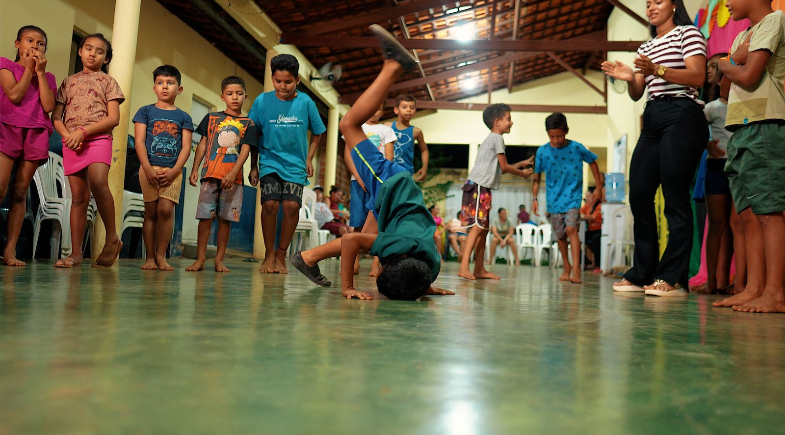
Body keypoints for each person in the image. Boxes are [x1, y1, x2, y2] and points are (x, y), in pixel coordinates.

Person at [290, 24, 453, 300]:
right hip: (390, 185)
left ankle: (307, 257)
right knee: (348, 124)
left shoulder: (430, 267)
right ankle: (392, 66)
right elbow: (353, 241)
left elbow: (417, 274)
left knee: (366, 236)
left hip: (396, 201)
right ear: (394, 259)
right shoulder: (396, 245)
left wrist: (425, 287)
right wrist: (348, 288)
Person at [602, 0, 707, 296]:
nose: (650, 7)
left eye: (657, 1)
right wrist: (627, 78)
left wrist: (657, 70)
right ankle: (642, 273)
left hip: (683, 113)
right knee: (640, 193)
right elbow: (638, 92)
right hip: (653, 115)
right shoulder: (646, 47)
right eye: (647, 3)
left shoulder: (689, 33)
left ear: (673, 5)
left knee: (674, 196)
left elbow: (697, 76)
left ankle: (672, 277)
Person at [713, 0, 785, 313]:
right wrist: (732, 61)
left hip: (765, 124)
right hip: (741, 128)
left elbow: (749, 76)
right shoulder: (742, 36)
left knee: (769, 211)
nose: (727, 1)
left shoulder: (774, 20)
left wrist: (727, 64)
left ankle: (775, 292)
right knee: (749, 214)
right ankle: (753, 287)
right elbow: (726, 91)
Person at [247, 54, 326, 274]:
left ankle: (281, 254)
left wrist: (309, 158)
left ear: (297, 80)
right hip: (269, 161)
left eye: (288, 82)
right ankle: (269, 254)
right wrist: (254, 165)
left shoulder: (306, 102)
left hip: (295, 165)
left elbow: (318, 132)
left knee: (291, 207)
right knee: (270, 205)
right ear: (272, 79)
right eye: (278, 81)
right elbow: (253, 133)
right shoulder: (262, 101)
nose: (283, 86)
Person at [51, 33, 125, 268]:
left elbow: (114, 118)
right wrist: (68, 136)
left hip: (98, 138)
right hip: (72, 142)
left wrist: (83, 132)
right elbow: (56, 117)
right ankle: (75, 254)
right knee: (79, 197)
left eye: (100, 51)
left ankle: (112, 237)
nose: (93, 53)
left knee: (98, 181)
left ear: (106, 58)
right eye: (88, 48)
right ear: (81, 51)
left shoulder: (108, 82)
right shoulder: (67, 82)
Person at [185, 76, 256, 273]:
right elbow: (203, 144)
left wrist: (234, 172)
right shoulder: (211, 118)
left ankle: (219, 260)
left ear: (245, 96)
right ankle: (200, 259)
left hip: (234, 179)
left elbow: (246, 150)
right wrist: (194, 169)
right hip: (209, 176)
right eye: (230, 94)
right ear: (222, 96)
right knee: (205, 218)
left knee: (226, 220)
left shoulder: (249, 123)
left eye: (239, 94)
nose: (235, 97)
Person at [0, 25, 56, 267]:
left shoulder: (49, 77)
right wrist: (27, 70)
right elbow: (14, 95)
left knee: (20, 191)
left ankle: (10, 250)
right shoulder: (5, 65)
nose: (35, 46)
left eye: (40, 43)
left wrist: (40, 74)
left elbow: (48, 106)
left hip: (35, 133)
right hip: (7, 128)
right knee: (0, 186)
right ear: (17, 44)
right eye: (29, 41)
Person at [457, 104, 533, 280]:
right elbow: (505, 167)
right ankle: (464, 267)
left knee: (483, 230)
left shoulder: (493, 138)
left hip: (482, 188)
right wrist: (522, 174)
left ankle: (479, 269)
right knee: (476, 228)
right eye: (508, 118)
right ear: (497, 122)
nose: (511, 122)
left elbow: (501, 168)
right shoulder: (497, 138)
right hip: (478, 187)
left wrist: (520, 164)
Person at [132, 65, 193, 271]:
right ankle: (149, 257)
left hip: (173, 172)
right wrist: (147, 168)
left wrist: (175, 171)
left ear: (180, 89)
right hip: (148, 169)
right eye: (160, 83)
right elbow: (139, 142)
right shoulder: (145, 112)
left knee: (165, 210)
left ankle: (161, 256)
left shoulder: (184, 117)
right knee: (150, 212)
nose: (165, 87)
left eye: (170, 83)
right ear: (154, 87)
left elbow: (186, 147)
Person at [531, 113, 601, 283]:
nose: (556, 140)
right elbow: (536, 176)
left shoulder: (576, 148)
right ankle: (566, 266)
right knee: (560, 234)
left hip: (573, 197)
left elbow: (592, 161)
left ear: (567, 131)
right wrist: (534, 198)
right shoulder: (542, 152)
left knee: (571, 229)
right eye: (552, 136)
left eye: (560, 136)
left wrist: (599, 187)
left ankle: (576, 268)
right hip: (553, 199)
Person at [693, 55, 734, 294]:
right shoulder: (712, 108)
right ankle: (712, 281)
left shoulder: (741, 108)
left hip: (737, 168)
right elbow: (696, 130)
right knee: (717, 225)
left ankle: (735, 281)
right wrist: (708, 145)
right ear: (719, 82)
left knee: (736, 226)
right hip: (716, 167)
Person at [343, 104, 396, 276]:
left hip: (379, 182)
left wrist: (379, 179)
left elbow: (389, 157)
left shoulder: (386, 130)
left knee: (380, 223)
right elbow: (347, 155)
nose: (373, 111)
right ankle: (353, 262)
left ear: (382, 111)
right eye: (371, 108)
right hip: (358, 182)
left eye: (378, 109)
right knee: (357, 223)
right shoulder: (356, 128)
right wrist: (359, 178)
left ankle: (377, 264)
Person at [385, 94, 429, 181]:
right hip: (387, 171)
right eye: (404, 107)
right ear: (396, 110)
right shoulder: (387, 126)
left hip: (406, 173)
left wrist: (424, 168)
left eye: (412, 108)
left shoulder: (416, 131)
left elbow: (424, 150)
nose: (408, 110)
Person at [580, 189, 602, 270]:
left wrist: (582, 216)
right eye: (586, 197)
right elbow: (579, 213)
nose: (587, 199)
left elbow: (593, 217)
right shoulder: (586, 207)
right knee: (578, 238)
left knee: (596, 238)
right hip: (590, 230)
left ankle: (597, 264)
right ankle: (585, 261)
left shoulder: (600, 206)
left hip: (599, 230)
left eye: (589, 196)